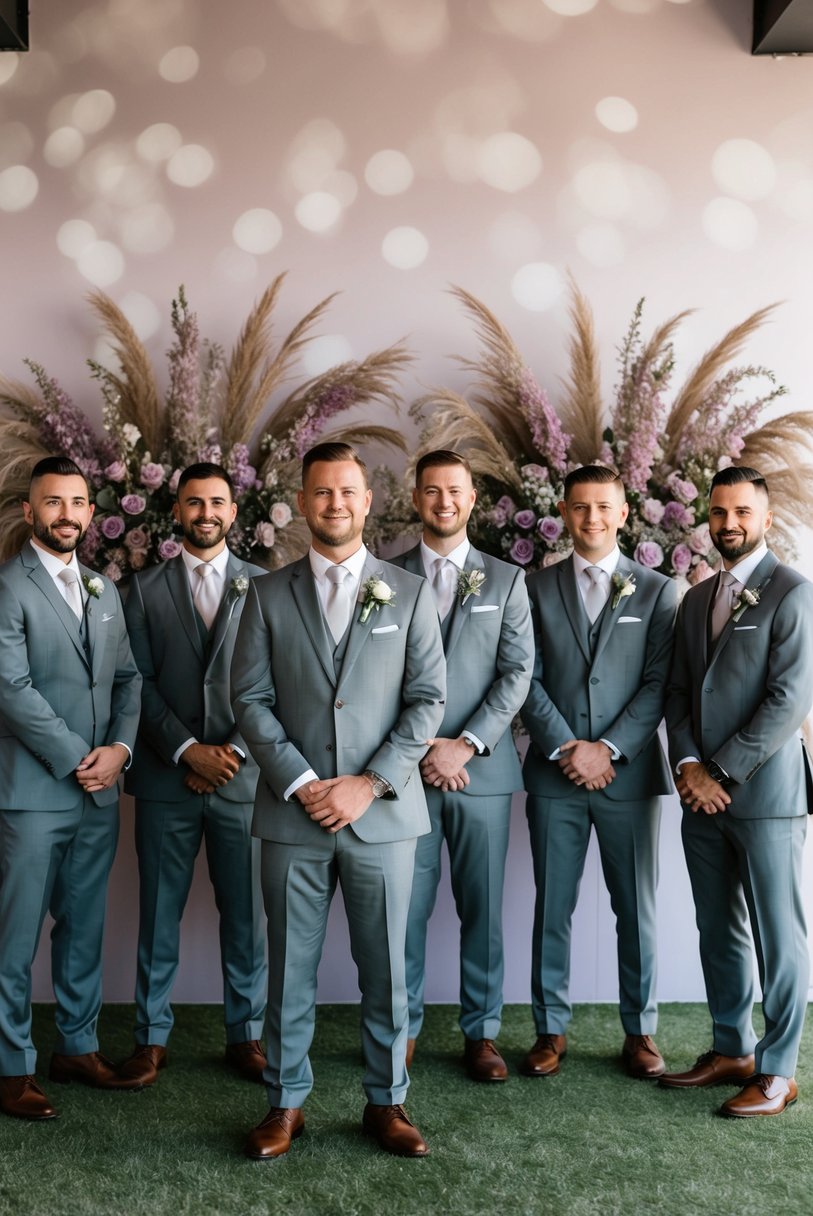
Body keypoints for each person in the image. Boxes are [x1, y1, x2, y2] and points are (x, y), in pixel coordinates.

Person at [231, 441, 446, 1160]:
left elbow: (426, 702)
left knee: (386, 966)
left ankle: (386, 1103)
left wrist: (367, 783)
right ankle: (285, 1103)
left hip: (382, 814)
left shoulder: (408, 592)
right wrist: (300, 781)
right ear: (304, 500)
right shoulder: (263, 593)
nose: (335, 504)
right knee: (288, 964)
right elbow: (250, 700)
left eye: (347, 492)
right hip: (292, 812)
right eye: (322, 492)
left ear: (367, 500)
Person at [0, 455, 142, 1120]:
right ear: (30, 511)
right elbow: (9, 690)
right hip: (34, 788)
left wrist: (122, 752)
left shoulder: (104, 589)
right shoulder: (3, 588)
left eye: (78, 502)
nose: (68, 514)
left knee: (84, 926)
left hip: (99, 790)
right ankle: (14, 1066)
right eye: (54, 502)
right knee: (18, 932)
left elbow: (130, 679)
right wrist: (83, 758)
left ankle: (76, 1046)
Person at [660, 465, 813, 1117]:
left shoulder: (794, 594)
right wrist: (688, 766)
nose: (727, 524)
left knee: (780, 935)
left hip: (765, 798)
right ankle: (732, 1047)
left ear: (765, 518)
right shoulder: (695, 598)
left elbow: (787, 701)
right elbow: (675, 693)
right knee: (715, 928)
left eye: (741, 513)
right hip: (701, 799)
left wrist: (717, 771)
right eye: (718, 513)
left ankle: (778, 1071)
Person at [520, 465, 676, 1081]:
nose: (591, 518)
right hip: (554, 776)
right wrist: (566, 747)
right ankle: (549, 1030)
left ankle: (640, 1031)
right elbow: (524, 679)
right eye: (580, 507)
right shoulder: (535, 588)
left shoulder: (658, 591)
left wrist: (607, 749)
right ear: (564, 510)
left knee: (635, 907)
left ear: (622, 512)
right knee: (551, 905)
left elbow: (661, 682)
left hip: (629, 776)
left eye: (602, 507)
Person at [117, 463, 266, 1087]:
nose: (206, 513)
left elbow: (274, 684)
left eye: (217, 503)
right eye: (193, 503)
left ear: (234, 513)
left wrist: (226, 753)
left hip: (244, 778)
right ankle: (151, 1037)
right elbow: (137, 683)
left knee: (247, 915)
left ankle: (248, 1034)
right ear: (176, 512)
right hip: (165, 778)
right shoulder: (142, 589)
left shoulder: (267, 586)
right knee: (158, 912)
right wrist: (186, 751)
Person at [389, 450, 533, 1081]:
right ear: (415, 499)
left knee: (482, 909)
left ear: (473, 498)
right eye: (431, 491)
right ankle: (403, 1029)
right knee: (405, 910)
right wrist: (421, 749)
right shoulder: (385, 578)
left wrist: (465, 744)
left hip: (482, 775)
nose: (443, 502)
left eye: (455, 491)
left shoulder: (505, 581)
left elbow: (516, 674)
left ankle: (482, 1033)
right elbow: (374, 679)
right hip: (406, 776)